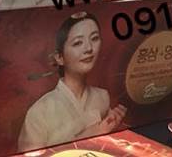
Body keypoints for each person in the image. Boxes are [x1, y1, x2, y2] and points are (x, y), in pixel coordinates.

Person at [18, 13, 126, 151]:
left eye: (94, 38)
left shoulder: (102, 97)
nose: (89, 48)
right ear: (59, 57)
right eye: (77, 43)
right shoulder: (39, 111)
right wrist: (89, 136)